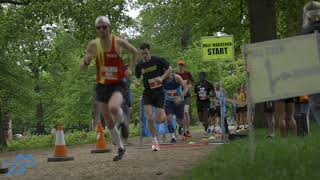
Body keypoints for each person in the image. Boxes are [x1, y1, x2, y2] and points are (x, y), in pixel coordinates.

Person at [80, 16, 137, 161]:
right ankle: (120, 148)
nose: (101, 30)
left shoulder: (117, 42)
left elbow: (134, 51)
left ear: (109, 27)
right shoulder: (93, 45)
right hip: (102, 84)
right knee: (109, 121)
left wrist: (130, 69)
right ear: (96, 29)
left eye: (104, 27)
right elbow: (83, 67)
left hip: (118, 82)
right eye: (98, 28)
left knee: (113, 107)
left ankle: (123, 120)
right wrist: (85, 62)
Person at [135, 43, 171, 151]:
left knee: (159, 120)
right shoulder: (140, 65)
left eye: (146, 53)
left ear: (149, 51)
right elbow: (137, 77)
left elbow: (170, 69)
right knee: (149, 117)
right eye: (142, 54)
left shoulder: (158, 60)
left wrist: (162, 77)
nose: (144, 55)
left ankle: (163, 114)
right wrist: (137, 82)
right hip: (148, 93)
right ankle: (154, 141)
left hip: (159, 92)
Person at [163, 71, 189, 143]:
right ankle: (173, 138)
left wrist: (180, 97)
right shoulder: (162, 79)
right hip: (168, 101)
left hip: (179, 101)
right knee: (169, 119)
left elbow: (186, 87)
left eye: (170, 77)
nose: (169, 79)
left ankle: (184, 131)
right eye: (167, 79)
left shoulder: (177, 77)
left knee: (180, 120)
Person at [177, 59, 194, 137]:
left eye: (182, 65)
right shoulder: (176, 74)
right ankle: (181, 126)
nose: (181, 66)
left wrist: (188, 86)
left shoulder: (187, 74)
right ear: (178, 65)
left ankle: (187, 130)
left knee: (186, 112)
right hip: (178, 96)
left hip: (186, 95)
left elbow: (192, 82)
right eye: (180, 65)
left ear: (184, 66)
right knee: (178, 115)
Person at [194, 72, 215, 136]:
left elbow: (214, 94)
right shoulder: (197, 84)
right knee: (201, 119)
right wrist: (197, 95)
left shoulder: (209, 84)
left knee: (205, 117)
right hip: (199, 102)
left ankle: (206, 131)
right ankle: (208, 125)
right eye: (200, 76)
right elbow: (195, 93)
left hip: (206, 102)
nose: (201, 77)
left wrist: (208, 96)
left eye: (202, 76)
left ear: (205, 77)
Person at [117, 65, 133, 146]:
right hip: (123, 103)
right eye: (129, 69)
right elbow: (126, 94)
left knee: (121, 120)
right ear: (125, 71)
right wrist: (129, 105)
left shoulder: (122, 79)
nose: (131, 71)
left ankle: (120, 139)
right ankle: (124, 141)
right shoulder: (125, 80)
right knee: (124, 121)